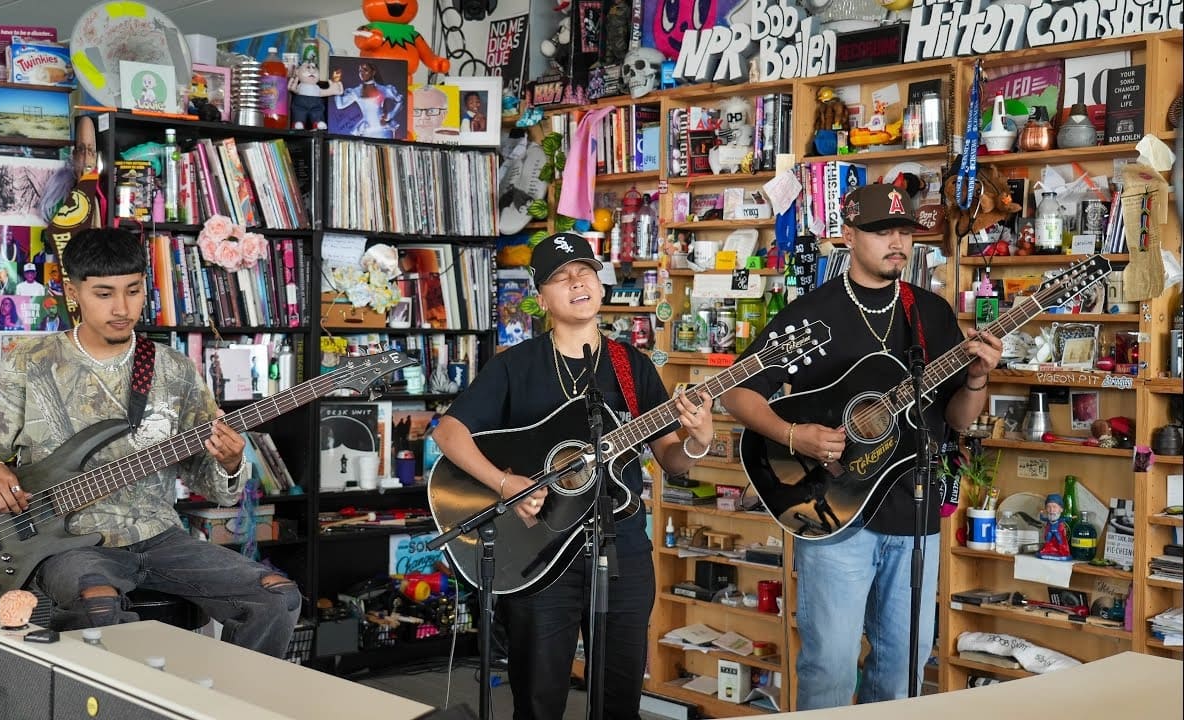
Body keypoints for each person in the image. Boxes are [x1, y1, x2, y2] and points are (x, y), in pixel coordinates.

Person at [0, 227, 300, 657]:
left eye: (133, 291)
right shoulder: (31, 363)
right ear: (72, 291)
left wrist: (228, 463)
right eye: (104, 294)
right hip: (68, 541)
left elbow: (208, 482)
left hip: (159, 536)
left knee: (276, 596)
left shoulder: (173, 371)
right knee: (99, 608)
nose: (121, 308)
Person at [721, 183, 1002, 709]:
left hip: (914, 511)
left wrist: (978, 379)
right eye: (881, 232)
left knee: (904, 668)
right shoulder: (812, 314)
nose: (897, 242)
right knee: (829, 666)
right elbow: (737, 391)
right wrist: (792, 434)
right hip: (833, 509)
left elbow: (957, 421)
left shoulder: (932, 314)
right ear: (848, 235)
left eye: (904, 232)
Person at [433, 232, 715, 720]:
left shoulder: (633, 367)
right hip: (539, 553)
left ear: (600, 284)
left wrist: (699, 439)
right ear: (542, 298)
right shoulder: (514, 366)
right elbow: (449, 434)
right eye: (562, 277)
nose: (577, 281)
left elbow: (672, 458)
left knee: (620, 699)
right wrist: (506, 484)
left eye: (585, 270)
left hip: (621, 545)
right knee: (539, 700)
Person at [332, 62, 403, 139]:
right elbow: (340, 105)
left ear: (373, 72)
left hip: (384, 130)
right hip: (367, 130)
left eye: (365, 70)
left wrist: (391, 114)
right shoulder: (356, 91)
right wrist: (336, 82)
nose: (362, 73)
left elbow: (400, 101)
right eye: (360, 71)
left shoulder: (384, 89)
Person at [1038, 494, 1070, 559]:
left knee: (1059, 539)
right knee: (1048, 539)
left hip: (1057, 532)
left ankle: (1062, 550)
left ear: (1061, 509)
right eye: (1048, 507)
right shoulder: (1048, 520)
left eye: (1054, 507)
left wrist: (1069, 518)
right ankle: (1046, 549)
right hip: (1050, 532)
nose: (1051, 510)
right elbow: (1042, 518)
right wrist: (1041, 514)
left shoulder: (1060, 520)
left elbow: (1066, 519)